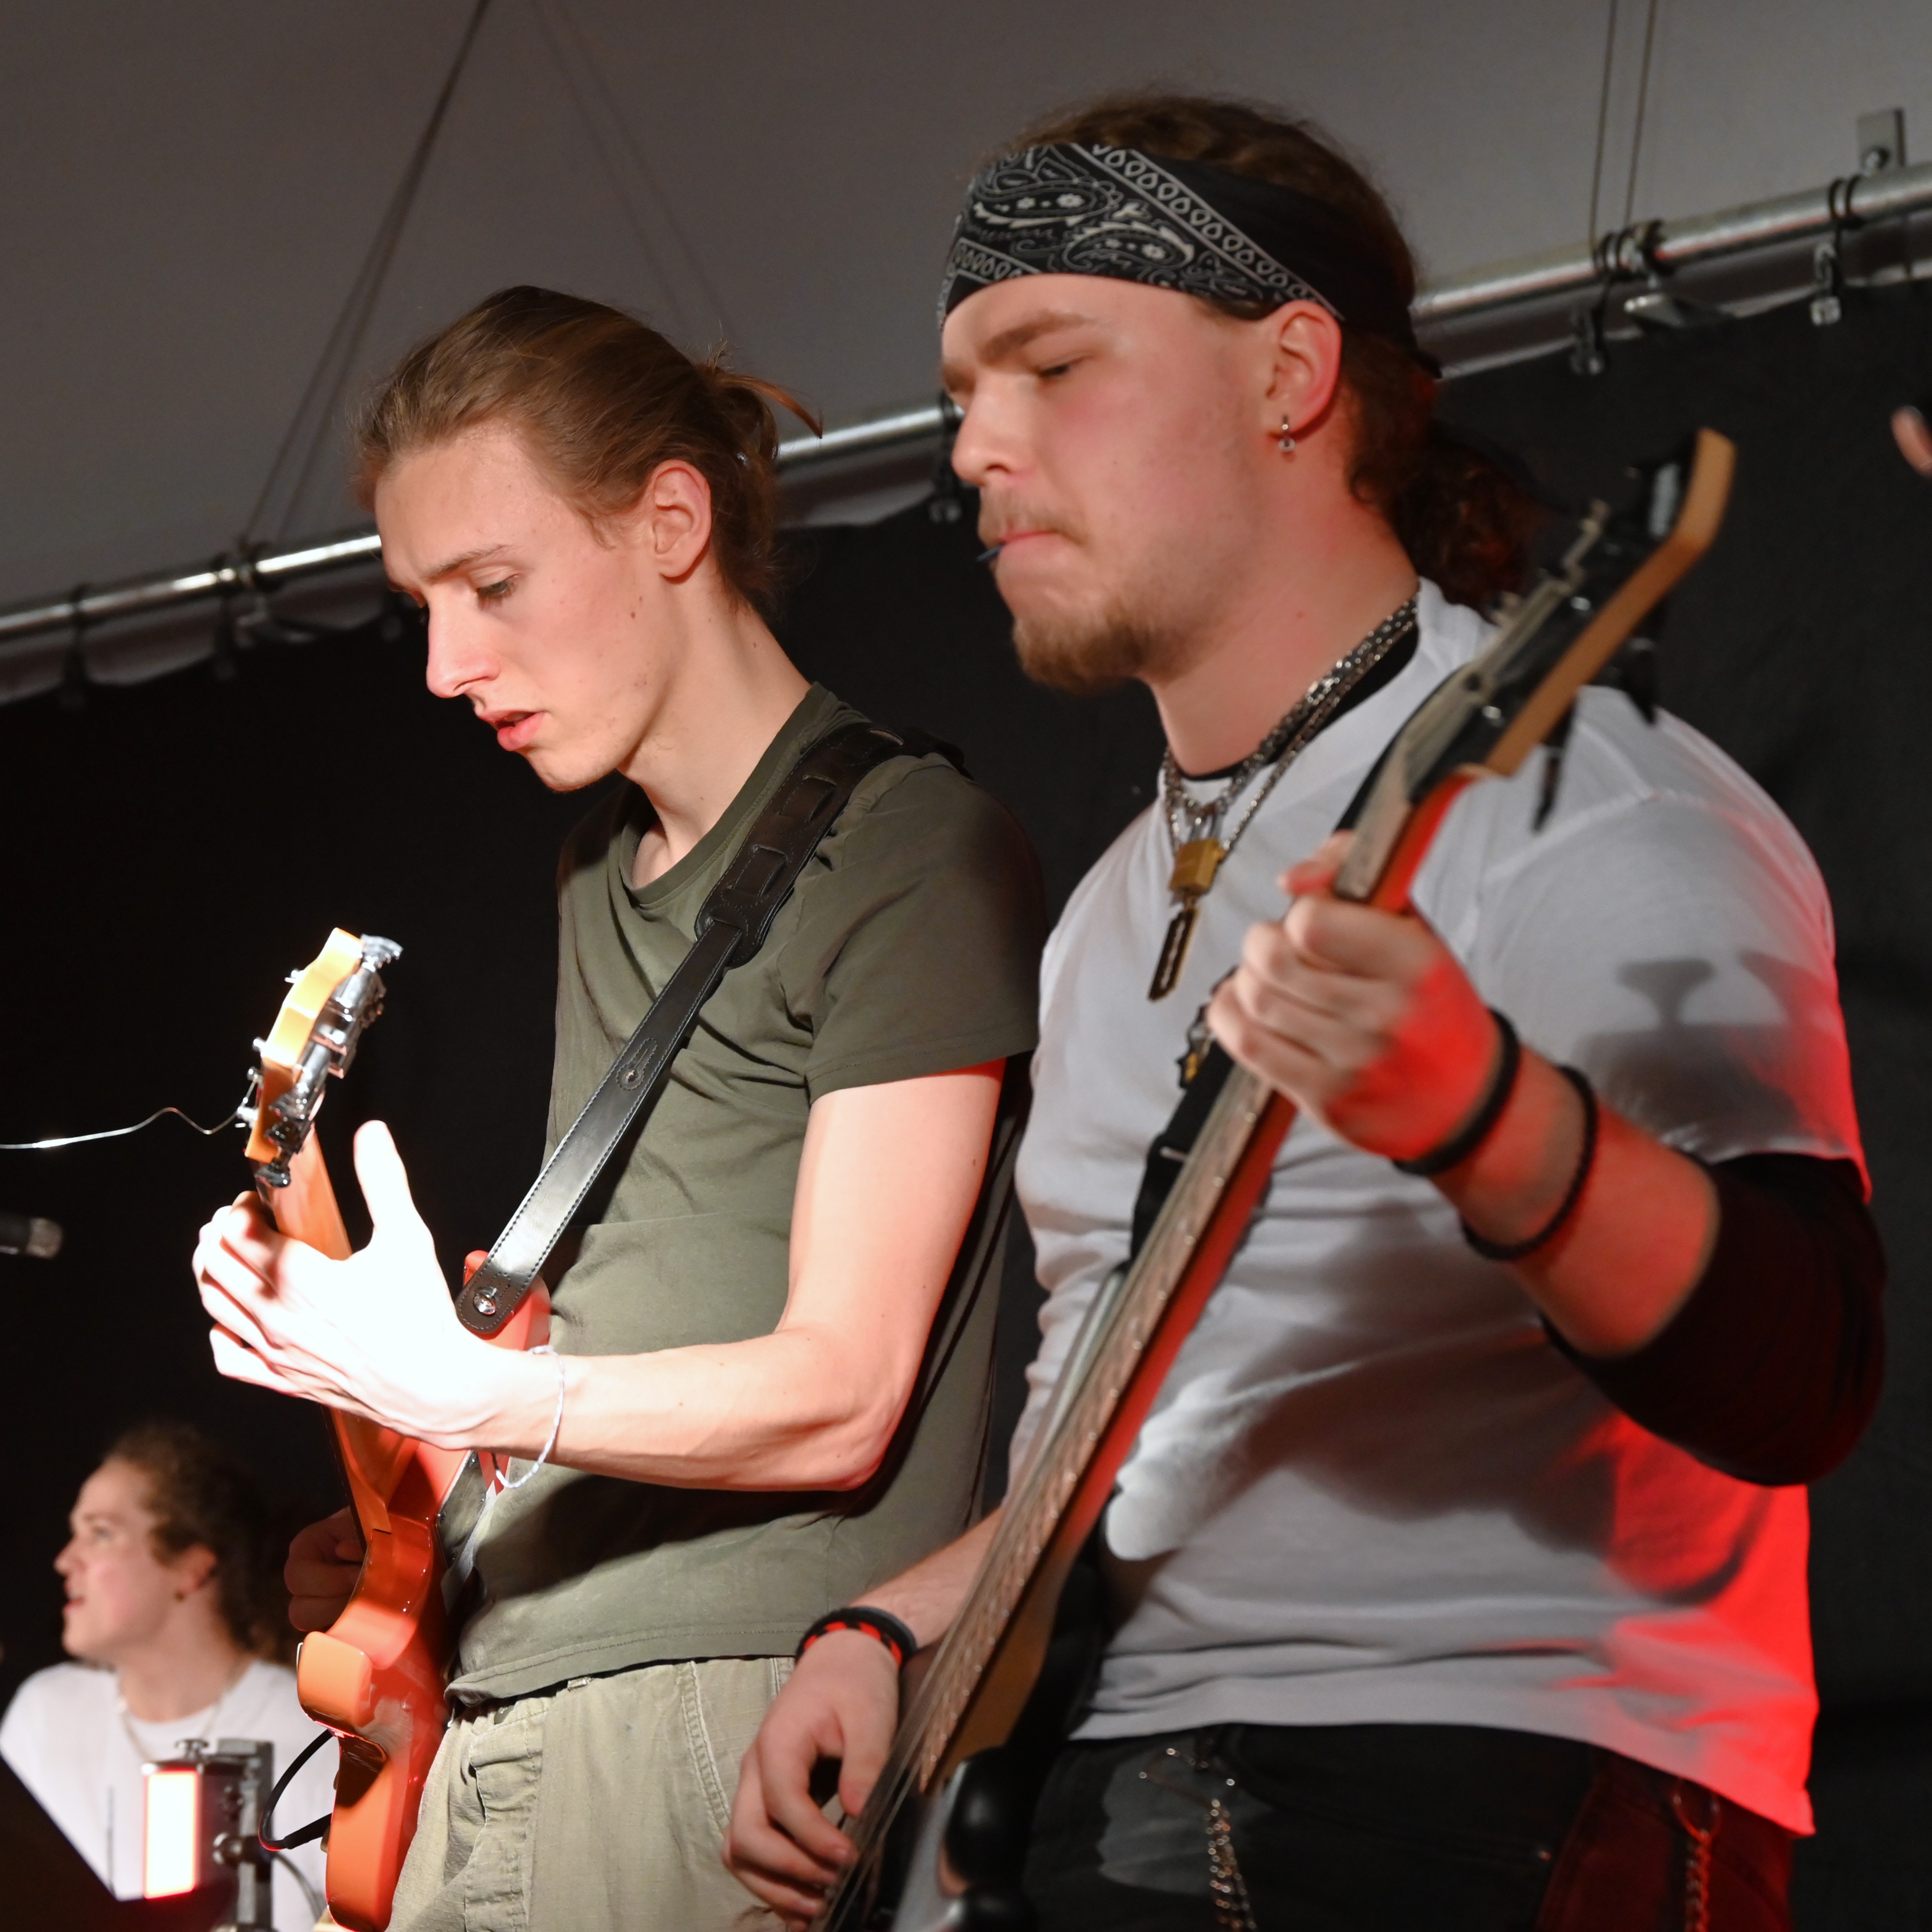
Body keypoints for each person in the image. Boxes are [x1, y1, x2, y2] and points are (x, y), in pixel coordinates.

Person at [724, 94, 1886, 1931]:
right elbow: (1147, 1432)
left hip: (1473, 1792)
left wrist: (1484, 1118)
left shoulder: (1584, 800)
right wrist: (889, 1628)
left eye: (1052, 366)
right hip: (1095, 1796)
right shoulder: (1107, 912)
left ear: (1288, 372)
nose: (976, 448)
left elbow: (1803, 1359)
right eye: (960, 393)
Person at [191, 287, 1044, 1932]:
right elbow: (633, 1321)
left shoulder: (906, 846)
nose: (446, 666)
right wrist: (426, 1528)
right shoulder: (599, 870)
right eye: (422, 605)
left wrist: (467, 1391)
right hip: (511, 1708)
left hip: (717, 1709)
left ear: (670, 520)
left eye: (493, 586)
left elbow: (844, 1392)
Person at [1, 1421, 333, 1929]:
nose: (66, 1560)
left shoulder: (314, 1732)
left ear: (191, 1567)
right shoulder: (44, 1715)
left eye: (101, 1532)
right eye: (74, 1534)